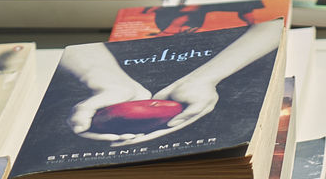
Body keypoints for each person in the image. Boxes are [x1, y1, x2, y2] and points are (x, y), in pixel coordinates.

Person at [60, 21, 282, 147]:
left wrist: (206, 77)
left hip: (236, 77)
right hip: (86, 85)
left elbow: (275, 22)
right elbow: (69, 35)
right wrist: (106, 81)